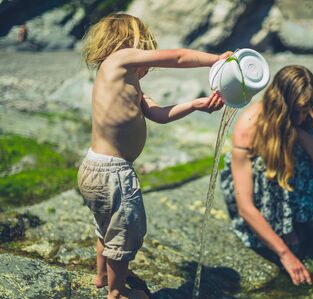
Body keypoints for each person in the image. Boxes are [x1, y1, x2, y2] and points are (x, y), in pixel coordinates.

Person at [77, 13, 231, 299]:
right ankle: (117, 292)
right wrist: (216, 60)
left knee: (106, 228)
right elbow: (179, 57)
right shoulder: (120, 59)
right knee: (124, 231)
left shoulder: (123, 81)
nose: (148, 61)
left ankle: (102, 276)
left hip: (94, 168)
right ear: (129, 43)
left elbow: (159, 115)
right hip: (113, 173)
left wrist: (195, 105)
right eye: (145, 51)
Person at [220, 65, 313, 286]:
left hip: (292, 186)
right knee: (267, 161)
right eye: (297, 110)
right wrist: (286, 255)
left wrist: (300, 133)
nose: (303, 116)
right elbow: (245, 207)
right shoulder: (250, 126)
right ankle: (281, 229)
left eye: (307, 108)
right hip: (263, 197)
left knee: (309, 141)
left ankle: (300, 223)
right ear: (282, 106)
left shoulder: (308, 116)